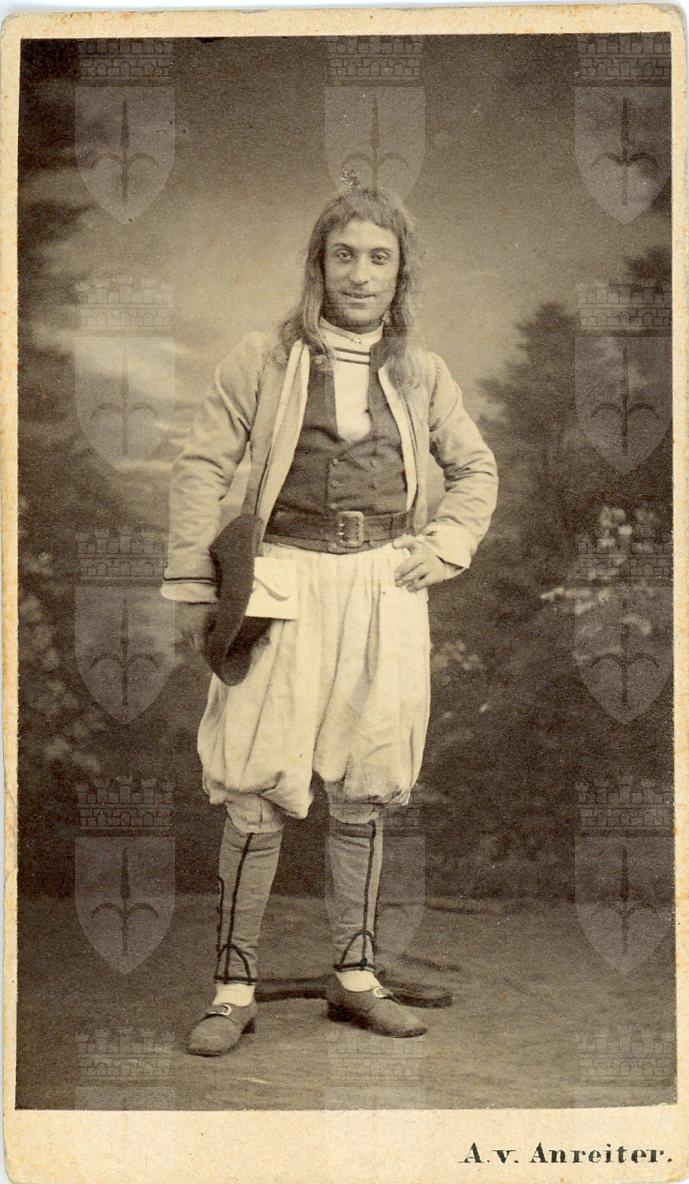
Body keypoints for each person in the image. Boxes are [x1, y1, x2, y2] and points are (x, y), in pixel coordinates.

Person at [161, 185, 498, 1056]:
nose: (359, 273)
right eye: (343, 254)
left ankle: (354, 977)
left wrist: (447, 544)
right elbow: (201, 466)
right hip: (283, 579)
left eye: (378, 257)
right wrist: (196, 583)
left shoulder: (421, 371)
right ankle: (232, 989)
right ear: (318, 264)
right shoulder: (263, 359)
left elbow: (474, 470)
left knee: (367, 780)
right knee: (255, 784)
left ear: (399, 273)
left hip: (384, 585)